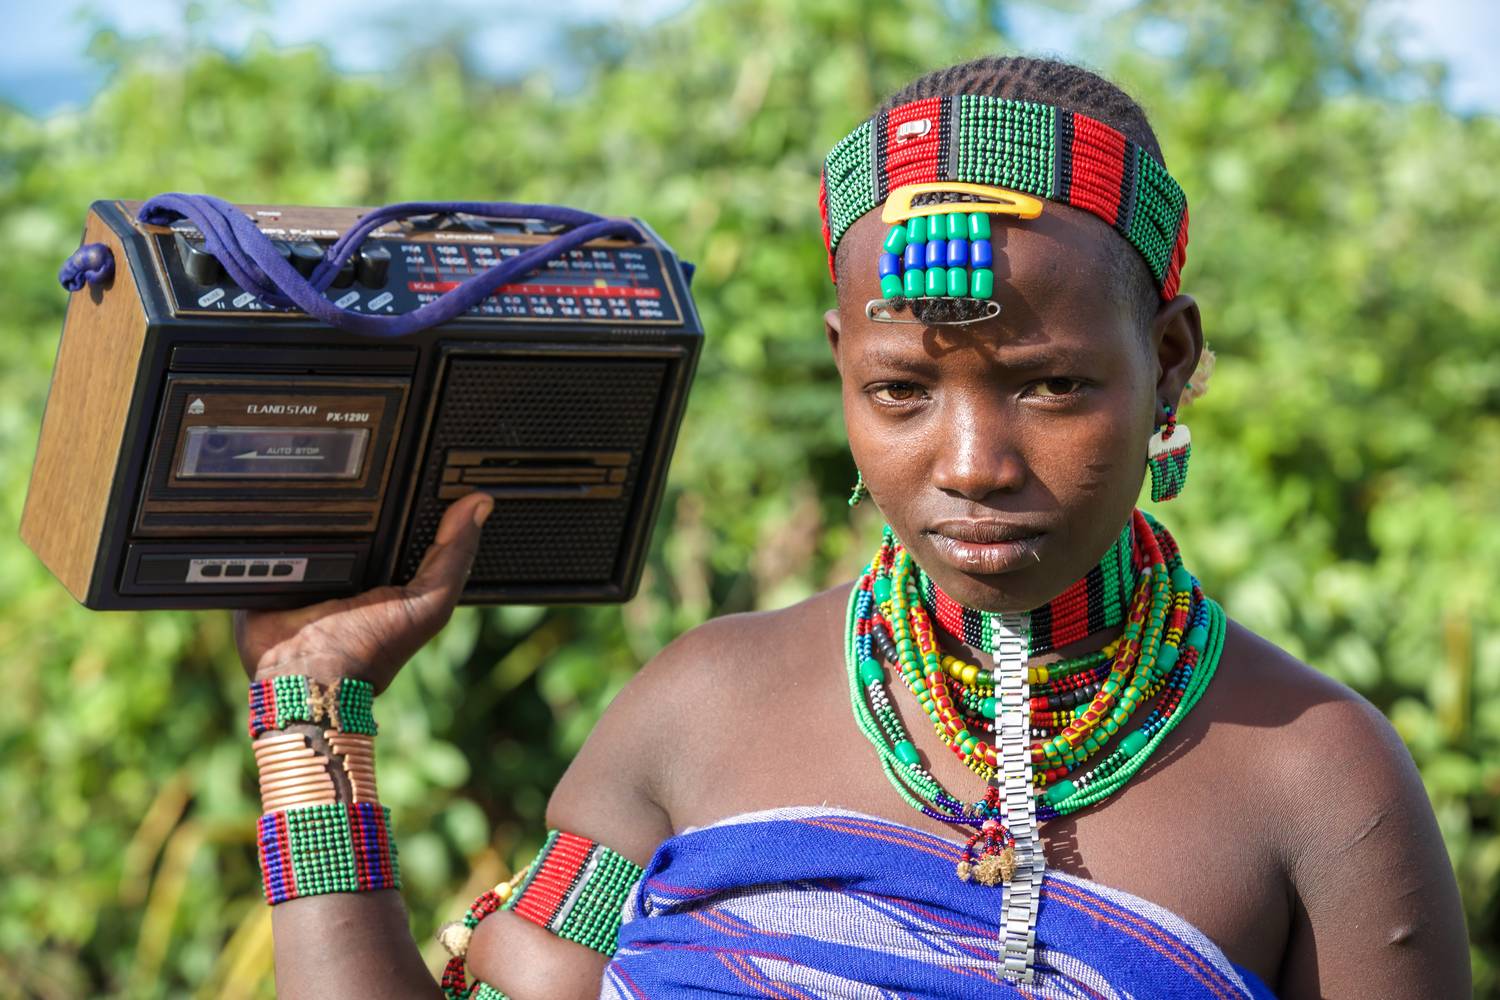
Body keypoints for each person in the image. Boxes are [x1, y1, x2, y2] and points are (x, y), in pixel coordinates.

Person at [235, 56, 1470, 998]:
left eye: (1052, 385)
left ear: (1172, 359)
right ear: (843, 370)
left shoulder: (1319, 780)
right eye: (903, 390)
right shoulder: (699, 705)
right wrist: (307, 705)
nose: (973, 466)